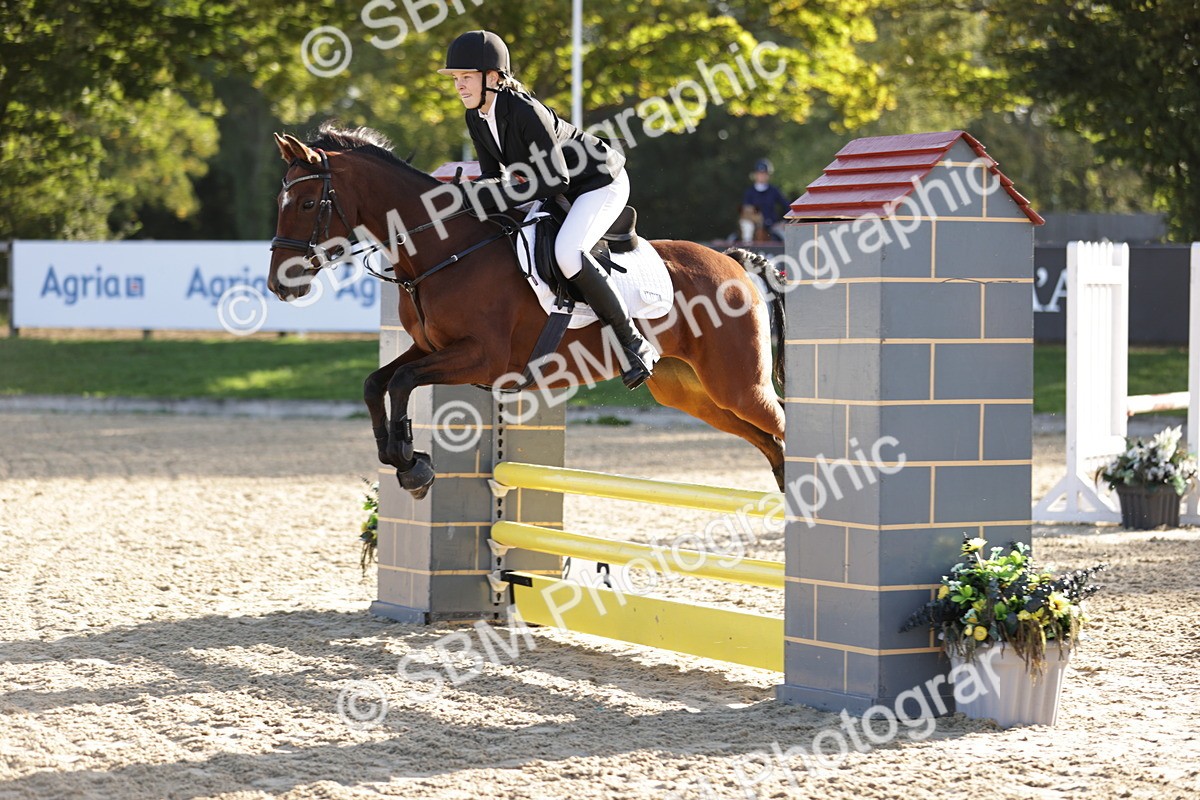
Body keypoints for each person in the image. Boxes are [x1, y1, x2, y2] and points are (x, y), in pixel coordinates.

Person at [437, 30, 656, 390]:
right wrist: (467, 196)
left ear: (493, 77)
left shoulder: (525, 111)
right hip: (555, 187)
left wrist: (490, 195)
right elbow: (493, 177)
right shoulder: (476, 116)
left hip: (599, 181)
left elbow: (556, 179)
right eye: (455, 78)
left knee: (567, 254)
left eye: (466, 77)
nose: (459, 85)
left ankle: (633, 343)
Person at [741, 158, 790, 241]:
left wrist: (785, 221)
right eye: (760, 173)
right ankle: (747, 245)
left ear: (768, 175)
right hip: (755, 225)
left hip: (773, 225)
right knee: (746, 228)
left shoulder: (774, 190)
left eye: (764, 174)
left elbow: (787, 206)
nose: (762, 176)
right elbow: (746, 210)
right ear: (755, 175)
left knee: (787, 238)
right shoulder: (749, 192)